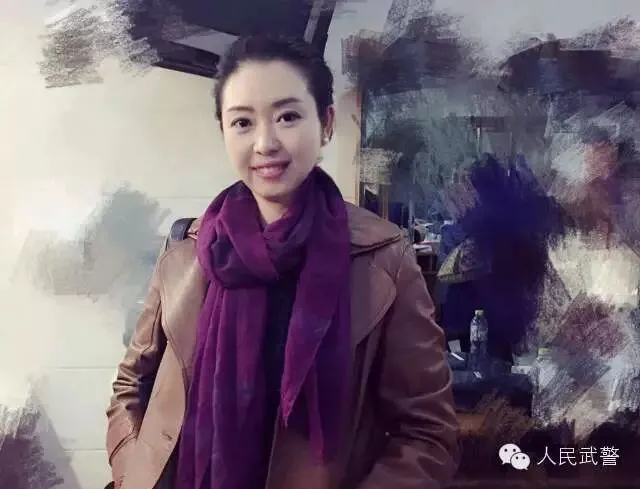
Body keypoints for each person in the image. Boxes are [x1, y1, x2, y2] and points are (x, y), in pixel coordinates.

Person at [105, 34, 460, 489]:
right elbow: (130, 387)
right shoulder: (188, 250)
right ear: (223, 131)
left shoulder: (383, 260)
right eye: (242, 122)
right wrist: (133, 473)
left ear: (326, 123)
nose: (265, 143)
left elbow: (429, 434)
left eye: (287, 117)